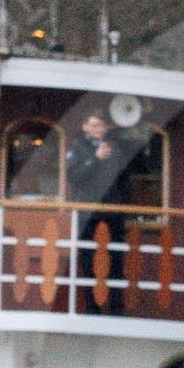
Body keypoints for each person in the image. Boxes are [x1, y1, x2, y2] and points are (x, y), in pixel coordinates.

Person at [66, 112, 132, 313]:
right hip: (87, 210)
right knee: (87, 260)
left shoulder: (115, 149)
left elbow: (124, 177)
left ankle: (117, 308)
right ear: (85, 127)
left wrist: (122, 201)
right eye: (93, 126)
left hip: (113, 208)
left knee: (117, 258)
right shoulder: (76, 148)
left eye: (100, 126)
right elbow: (75, 178)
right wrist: (95, 159)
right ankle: (92, 307)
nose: (97, 130)